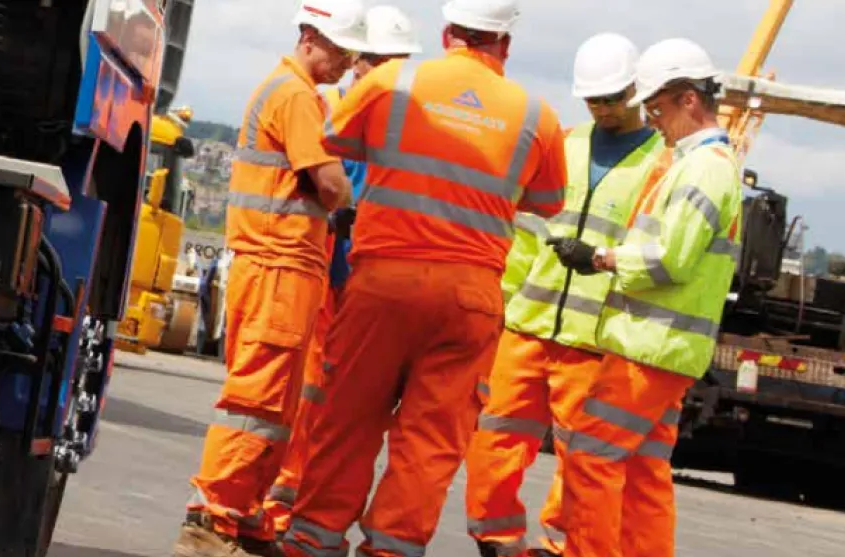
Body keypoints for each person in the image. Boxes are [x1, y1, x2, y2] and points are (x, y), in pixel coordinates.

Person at [280, 0, 569, 554]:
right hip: (470, 295)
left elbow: (335, 136)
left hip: (383, 280)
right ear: (505, 44)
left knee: (348, 415)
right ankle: (391, 547)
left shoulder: (394, 80)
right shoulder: (536, 114)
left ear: (446, 33)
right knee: (431, 438)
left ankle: (312, 541)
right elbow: (549, 200)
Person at [464, 32, 671, 557]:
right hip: (527, 322)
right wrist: (501, 306)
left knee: (583, 457)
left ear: (638, 92)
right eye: (593, 99)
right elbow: (525, 234)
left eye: (613, 98)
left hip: (593, 337)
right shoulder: (565, 144)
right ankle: (495, 536)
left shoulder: (660, 164)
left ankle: (559, 545)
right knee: (497, 433)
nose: (602, 109)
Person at [172, 2, 367, 556]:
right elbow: (330, 185)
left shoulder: (286, 90)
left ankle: (243, 508)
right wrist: (348, 200)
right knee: (256, 394)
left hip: (285, 264)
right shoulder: (295, 95)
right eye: (340, 48)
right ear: (309, 37)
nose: (347, 60)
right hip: (278, 262)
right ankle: (212, 512)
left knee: (277, 401)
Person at [547, 37, 743, 557]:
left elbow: (668, 259)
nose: (652, 120)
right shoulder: (705, 163)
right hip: (664, 349)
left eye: (657, 108)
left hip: (648, 348)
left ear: (689, 100)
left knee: (590, 456)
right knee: (642, 471)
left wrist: (600, 258)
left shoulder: (703, 167)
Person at [261, 4, 423, 538]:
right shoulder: (327, 105)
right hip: (328, 270)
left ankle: (304, 507)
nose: (383, 73)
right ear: (359, 60)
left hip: (365, 278)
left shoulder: (400, 118)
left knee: (336, 399)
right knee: (310, 391)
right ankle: (288, 500)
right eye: (376, 61)